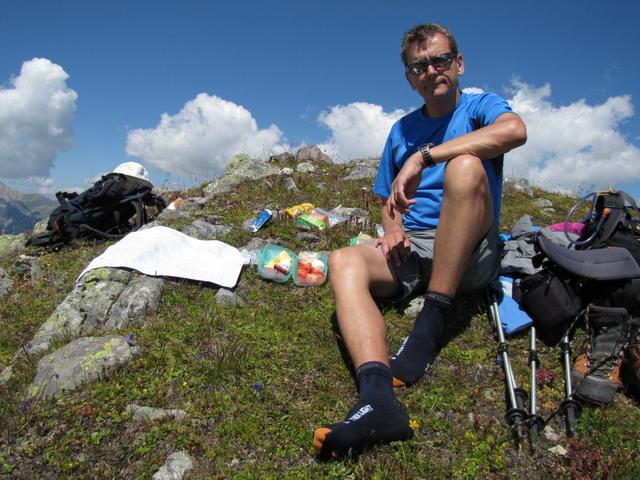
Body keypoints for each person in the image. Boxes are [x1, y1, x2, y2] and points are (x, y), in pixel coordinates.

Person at [312, 22, 527, 460]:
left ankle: (431, 321)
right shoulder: (401, 129)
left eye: (439, 60)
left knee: (465, 166)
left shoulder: (480, 106)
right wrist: (392, 230)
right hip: (416, 246)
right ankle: (378, 398)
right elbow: (389, 202)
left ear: (458, 63)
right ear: (410, 79)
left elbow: (514, 131)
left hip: (470, 248)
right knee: (344, 259)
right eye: (418, 67)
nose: (431, 71)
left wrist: (425, 156)